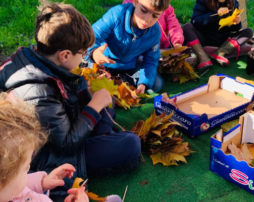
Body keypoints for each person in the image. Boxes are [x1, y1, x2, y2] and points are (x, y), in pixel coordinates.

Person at [0, 1, 140, 201]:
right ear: (65, 55)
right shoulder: (35, 90)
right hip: (49, 155)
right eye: (82, 54)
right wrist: (93, 106)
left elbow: (62, 103)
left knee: (106, 103)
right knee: (130, 143)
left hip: (58, 133)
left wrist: (88, 95)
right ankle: (103, 145)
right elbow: (65, 143)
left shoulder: (41, 63)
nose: (84, 58)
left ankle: (104, 138)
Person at [0, 93, 91, 202]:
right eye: (25, 168)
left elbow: (20, 186)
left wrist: (43, 183)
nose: (28, 169)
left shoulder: (8, 190)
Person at [88, 0, 171, 94]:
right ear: (135, 2)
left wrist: (143, 83)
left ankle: (121, 80)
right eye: (144, 10)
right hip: (102, 64)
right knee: (91, 89)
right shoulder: (117, 15)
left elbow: (151, 60)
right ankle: (117, 80)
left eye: (155, 16)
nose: (147, 19)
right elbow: (92, 36)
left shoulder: (154, 33)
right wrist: (94, 53)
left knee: (156, 84)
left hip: (129, 66)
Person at [183, 0, 254, 71]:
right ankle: (203, 58)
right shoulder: (203, 1)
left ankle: (219, 53)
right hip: (205, 38)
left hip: (224, 41)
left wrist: (237, 22)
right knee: (187, 27)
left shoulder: (234, 2)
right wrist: (215, 14)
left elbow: (236, 29)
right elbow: (195, 22)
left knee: (249, 32)